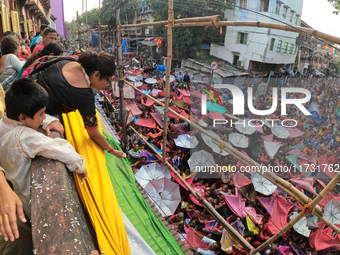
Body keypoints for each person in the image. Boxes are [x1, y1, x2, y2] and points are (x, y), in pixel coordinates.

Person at [0, 79, 87, 247]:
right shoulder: (24, 136)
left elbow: (35, 118)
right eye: (41, 114)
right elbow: (59, 149)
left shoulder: (4, 123)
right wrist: (80, 166)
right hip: (31, 204)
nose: (42, 118)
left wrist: (46, 119)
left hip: (18, 195)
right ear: (23, 117)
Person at [27, 50, 125, 158]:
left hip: (24, 87)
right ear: (96, 74)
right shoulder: (85, 96)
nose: (107, 85)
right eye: (107, 80)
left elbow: (41, 61)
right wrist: (112, 151)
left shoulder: (69, 60)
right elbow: (93, 133)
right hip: (28, 109)